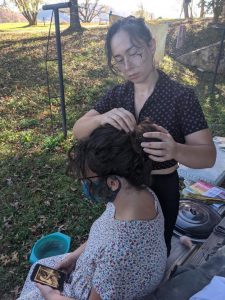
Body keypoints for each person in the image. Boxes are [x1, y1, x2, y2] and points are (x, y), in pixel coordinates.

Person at [72, 16, 216, 256]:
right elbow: (79, 129)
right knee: (121, 252)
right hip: (124, 190)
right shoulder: (118, 95)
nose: (128, 66)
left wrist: (176, 150)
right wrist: (100, 119)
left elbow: (208, 156)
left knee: (156, 253)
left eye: (134, 53)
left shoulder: (180, 97)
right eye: (119, 60)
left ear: (151, 45)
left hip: (162, 189)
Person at [18, 120, 167, 300]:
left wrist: (51, 295)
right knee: (40, 267)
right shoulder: (140, 196)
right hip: (90, 273)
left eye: (87, 179)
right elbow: (104, 235)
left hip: (80, 293)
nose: (84, 184)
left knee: (35, 287)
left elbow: (112, 255)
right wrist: (73, 257)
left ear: (112, 182)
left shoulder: (118, 253)